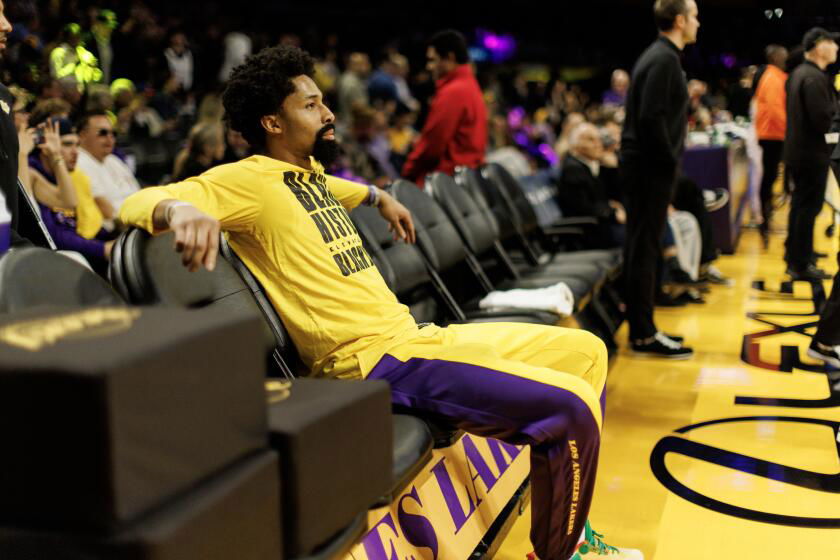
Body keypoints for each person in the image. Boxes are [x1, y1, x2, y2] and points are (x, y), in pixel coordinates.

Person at [118, 44, 641, 560]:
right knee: (569, 407)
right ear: (272, 124)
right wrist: (176, 212)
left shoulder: (310, 176)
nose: (327, 113)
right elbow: (134, 201)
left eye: (324, 102)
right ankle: (561, 554)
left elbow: (338, 189)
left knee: (586, 352)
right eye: (310, 105)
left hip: (413, 339)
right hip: (370, 364)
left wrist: (377, 196)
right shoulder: (246, 180)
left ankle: (571, 527)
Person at [620, 0, 699, 359]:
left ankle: (643, 328)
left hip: (646, 168)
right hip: (649, 170)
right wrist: (669, 165)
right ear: (680, 21)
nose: (698, 22)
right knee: (643, 248)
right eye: (695, 15)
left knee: (643, 247)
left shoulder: (660, 57)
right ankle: (643, 333)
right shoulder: (664, 59)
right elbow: (651, 120)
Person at [783, 27, 838, 281]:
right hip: (810, 153)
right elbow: (823, 119)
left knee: (800, 207)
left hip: (799, 151)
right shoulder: (813, 77)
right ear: (819, 47)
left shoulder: (799, 73)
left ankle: (796, 254)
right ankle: (800, 263)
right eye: (832, 43)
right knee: (808, 208)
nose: (836, 48)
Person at [27, 117, 112, 273]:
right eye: (67, 144)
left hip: (77, 250)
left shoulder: (65, 174)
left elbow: (73, 212)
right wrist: (101, 249)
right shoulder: (31, 172)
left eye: (77, 145)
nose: (75, 152)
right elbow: (54, 236)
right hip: (52, 260)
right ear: (44, 145)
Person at [402, 30, 487, 185]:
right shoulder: (469, 84)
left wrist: (407, 172)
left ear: (449, 57)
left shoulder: (453, 91)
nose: (429, 66)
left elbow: (432, 147)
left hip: (447, 182)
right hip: (467, 178)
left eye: (433, 60)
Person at [557, 122, 626, 249]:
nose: (598, 144)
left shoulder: (591, 164)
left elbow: (612, 194)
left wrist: (612, 168)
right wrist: (612, 213)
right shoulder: (572, 169)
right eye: (590, 140)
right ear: (576, 145)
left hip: (601, 224)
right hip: (589, 232)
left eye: (598, 139)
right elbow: (581, 208)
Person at [75, 111, 141, 226]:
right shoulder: (78, 161)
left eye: (113, 133)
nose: (109, 137)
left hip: (137, 219)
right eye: (103, 132)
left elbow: (138, 193)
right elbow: (105, 210)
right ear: (82, 135)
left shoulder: (113, 160)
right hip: (118, 231)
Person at [754, 45, 788, 247]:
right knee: (769, 178)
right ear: (774, 57)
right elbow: (776, 110)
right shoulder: (773, 77)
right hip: (772, 135)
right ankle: (764, 220)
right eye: (782, 55)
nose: (785, 59)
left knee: (770, 177)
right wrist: (790, 130)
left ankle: (765, 217)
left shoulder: (774, 76)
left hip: (771, 134)